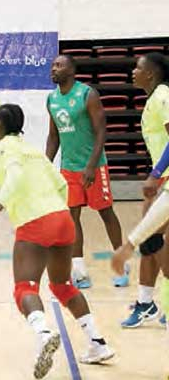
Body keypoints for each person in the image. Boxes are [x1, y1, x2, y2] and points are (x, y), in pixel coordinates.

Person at [0, 104, 115, 379]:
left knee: (24, 288)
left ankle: (43, 334)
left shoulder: (5, 148)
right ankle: (98, 343)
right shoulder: (34, 151)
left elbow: (14, 177)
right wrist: (54, 212)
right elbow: (61, 185)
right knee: (62, 285)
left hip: (36, 221)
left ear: (1, 126)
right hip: (62, 218)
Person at [45, 55, 125, 289]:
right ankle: (80, 271)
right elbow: (53, 137)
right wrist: (46, 165)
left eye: (59, 65)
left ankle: (121, 262)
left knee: (106, 213)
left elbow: (101, 131)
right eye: (53, 65)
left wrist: (91, 165)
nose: (54, 69)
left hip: (94, 165)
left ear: (72, 71)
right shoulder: (51, 99)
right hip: (68, 168)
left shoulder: (87, 94)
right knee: (72, 217)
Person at [120, 52, 169, 329]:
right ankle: (148, 302)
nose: (133, 72)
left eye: (138, 68)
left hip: (164, 180)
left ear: (150, 73)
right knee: (153, 243)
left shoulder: (163, 97)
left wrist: (155, 174)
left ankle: (148, 302)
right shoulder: (155, 98)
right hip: (162, 178)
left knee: (150, 240)